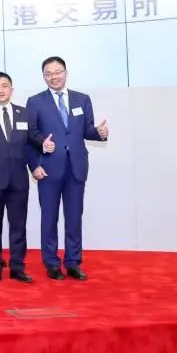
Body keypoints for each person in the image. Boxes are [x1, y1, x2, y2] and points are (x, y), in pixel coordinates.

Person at [25, 56, 109, 280]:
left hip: (76, 167)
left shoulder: (82, 99)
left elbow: (87, 130)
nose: (54, 77)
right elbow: (30, 135)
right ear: (44, 77)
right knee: (49, 218)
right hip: (48, 168)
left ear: (65, 72)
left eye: (57, 72)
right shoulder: (35, 102)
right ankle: (51, 263)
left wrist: (99, 133)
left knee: (74, 218)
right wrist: (36, 161)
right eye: (48, 74)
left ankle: (73, 262)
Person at [0, 72, 47, 283]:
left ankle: (17, 267)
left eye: (5, 86)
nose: (1, 90)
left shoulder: (24, 114)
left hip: (19, 180)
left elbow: (30, 144)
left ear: (11, 89)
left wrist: (37, 162)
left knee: (18, 225)